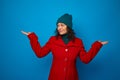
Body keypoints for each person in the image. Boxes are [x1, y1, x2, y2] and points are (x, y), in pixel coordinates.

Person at [21, 13, 108, 80]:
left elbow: (85, 59)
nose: (59, 28)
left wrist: (97, 46)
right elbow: (40, 53)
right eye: (58, 25)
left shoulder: (78, 42)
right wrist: (32, 38)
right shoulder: (53, 40)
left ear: (68, 27)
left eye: (62, 25)